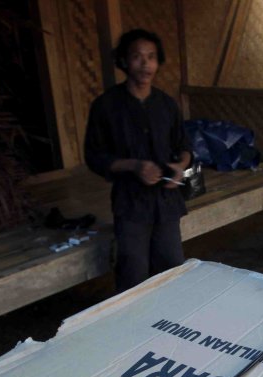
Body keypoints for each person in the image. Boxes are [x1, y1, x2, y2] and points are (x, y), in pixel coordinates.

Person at [84, 29, 191, 292]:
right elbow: (94, 156)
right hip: (130, 203)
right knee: (133, 271)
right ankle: (136, 328)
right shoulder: (106, 106)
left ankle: (170, 324)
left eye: (152, 57)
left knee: (172, 266)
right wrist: (134, 166)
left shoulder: (166, 105)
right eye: (137, 57)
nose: (145, 64)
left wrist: (180, 167)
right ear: (123, 61)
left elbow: (184, 146)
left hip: (166, 203)